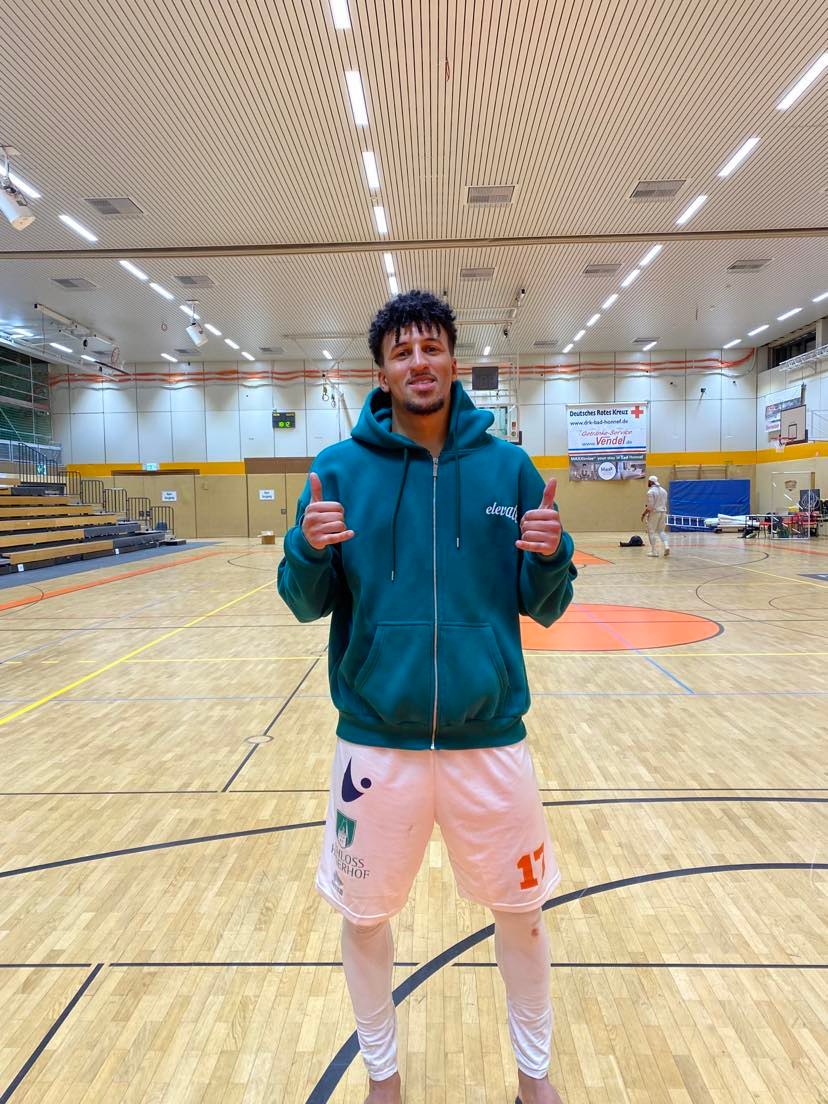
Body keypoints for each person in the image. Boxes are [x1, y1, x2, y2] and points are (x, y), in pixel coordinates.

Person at [278, 290, 577, 1104]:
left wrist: (551, 558)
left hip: (490, 739)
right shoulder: (338, 470)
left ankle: (534, 1077)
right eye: (402, 351)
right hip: (377, 744)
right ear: (381, 371)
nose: (419, 362)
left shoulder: (508, 469)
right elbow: (303, 602)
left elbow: (546, 606)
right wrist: (306, 549)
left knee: (523, 912)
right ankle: (383, 1077)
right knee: (365, 917)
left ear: (453, 360)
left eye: (431, 347)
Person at [641, 475, 670, 557]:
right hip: (663, 512)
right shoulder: (664, 491)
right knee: (661, 531)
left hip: (655, 513)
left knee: (651, 531)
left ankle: (654, 551)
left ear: (651, 482)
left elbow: (650, 506)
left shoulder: (650, 492)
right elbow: (664, 502)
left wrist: (644, 514)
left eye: (648, 481)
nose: (647, 483)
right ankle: (667, 546)